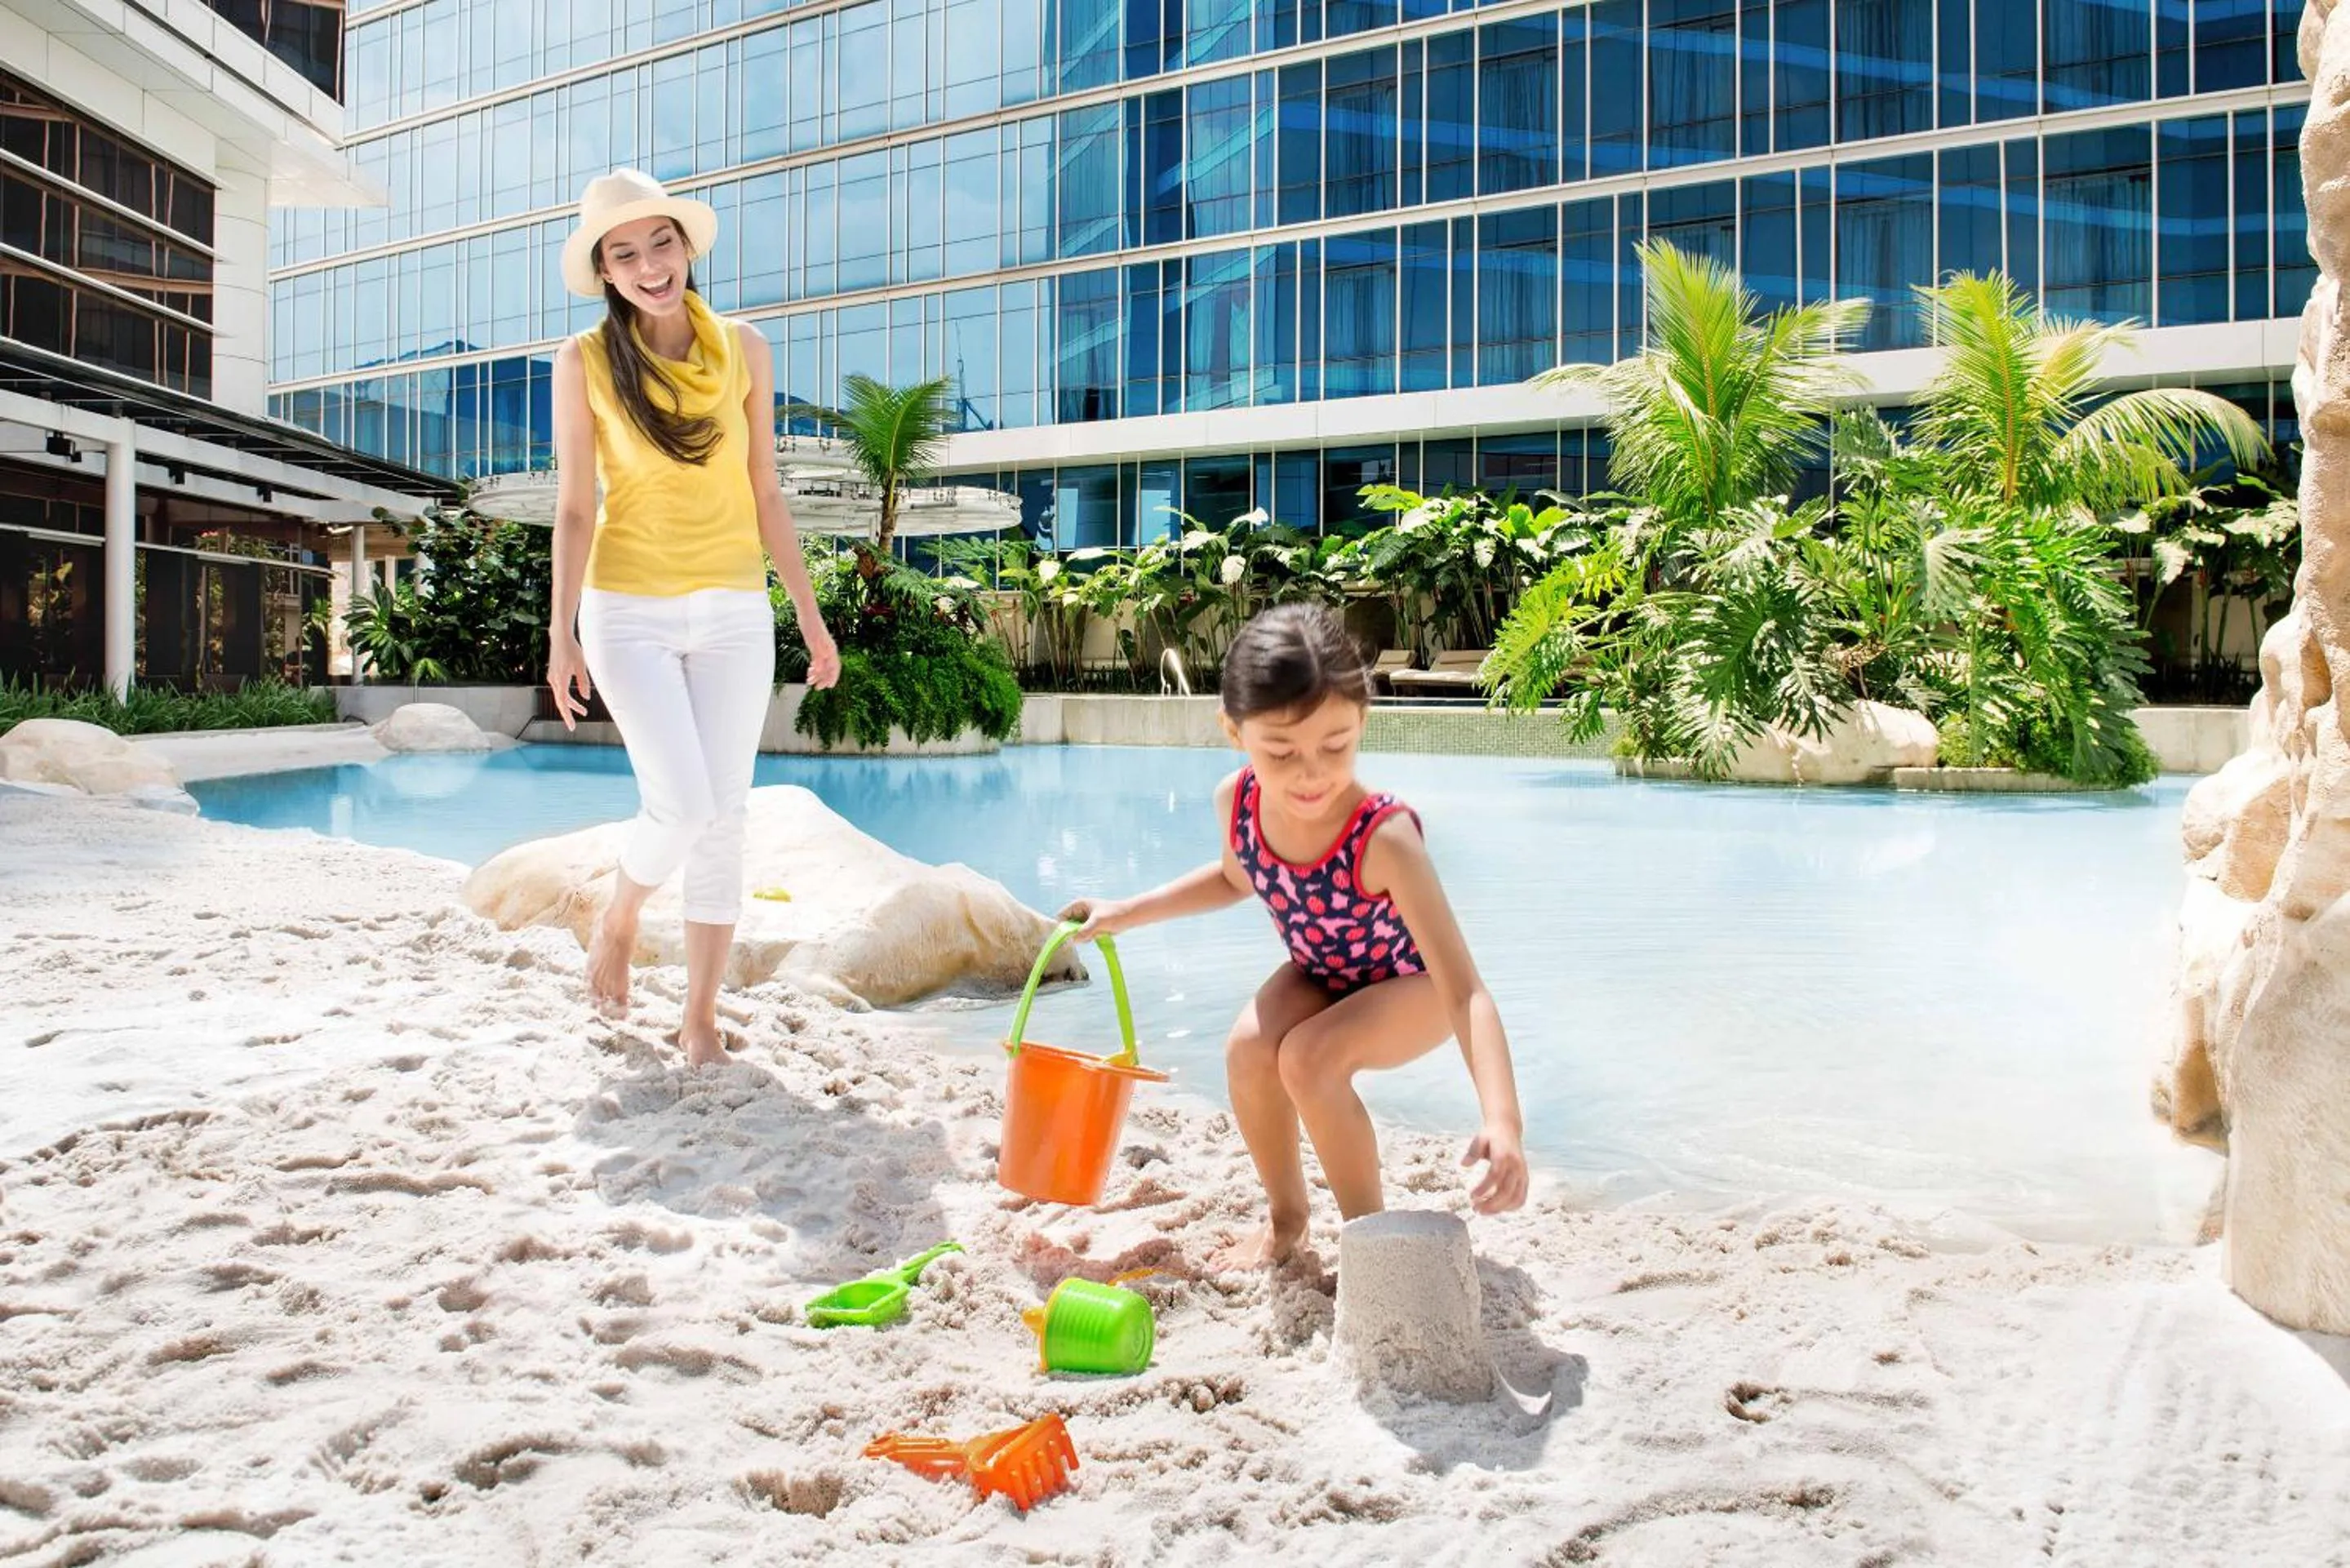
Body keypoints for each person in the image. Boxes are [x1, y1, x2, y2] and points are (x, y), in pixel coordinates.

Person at [1061, 603, 1528, 1268]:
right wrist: (1124, 911)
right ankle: (1287, 1221)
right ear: (1234, 731)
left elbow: (1466, 992)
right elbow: (1233, 878)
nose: (1310, 772)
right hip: (1323, 972)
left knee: (1308, 1058)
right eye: (1280, 751)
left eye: (1334, 745)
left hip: (1411, 985)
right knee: (1249, 1049)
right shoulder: (1239, 800)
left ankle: (1375, 1243)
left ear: (1361, 720)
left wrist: (1503, 1120)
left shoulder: (1384, 837)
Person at [544, 168, 839, 1066]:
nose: (647, 265)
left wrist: (809, 614)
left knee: (724, 815)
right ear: (604, 271)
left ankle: (700, 1016)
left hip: (732, 610)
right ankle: (622, 914)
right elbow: (573, 507)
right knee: (678, 803)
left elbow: (764, 492)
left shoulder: (744, 348)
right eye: (623, 253)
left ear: (686, 246)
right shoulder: (583, 363)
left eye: (658, 243)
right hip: (625, 607)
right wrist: (559, 633)